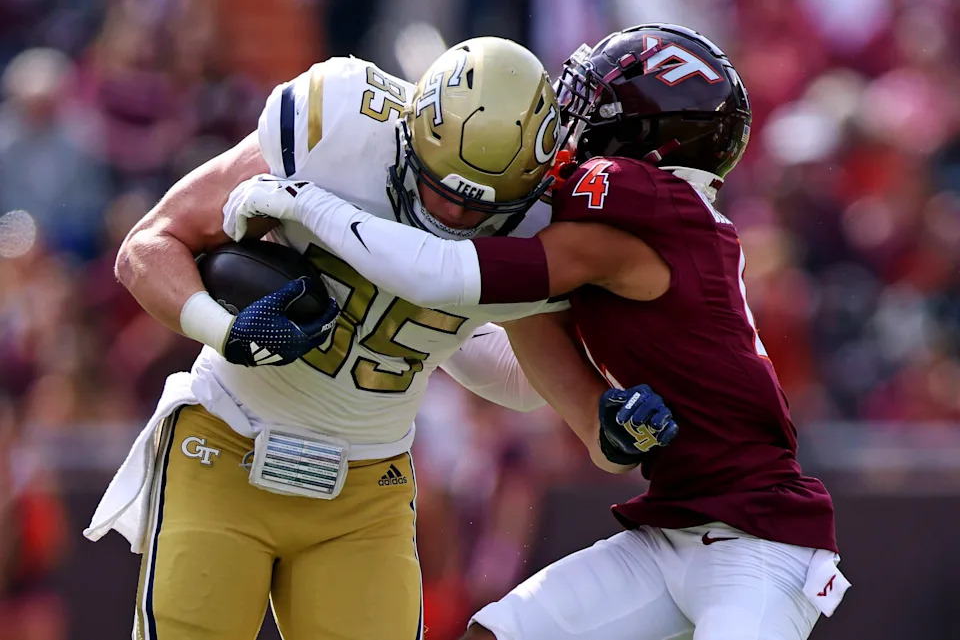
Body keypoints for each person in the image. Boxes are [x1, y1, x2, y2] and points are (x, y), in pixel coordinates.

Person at [224, 24, 850, 640]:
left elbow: (442, 274)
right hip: (674, 529)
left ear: (647, 136)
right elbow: (519, 365)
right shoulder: (649, 217)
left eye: (592, 101)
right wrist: (609, 423)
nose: (568, 121)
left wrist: (303, 203)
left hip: (763, 546)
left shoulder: (639, 207)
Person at [84, 36, 676, 640]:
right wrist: (227, 330)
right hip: (226, 445)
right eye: (437, 187)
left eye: (474, 209)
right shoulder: (337, 126)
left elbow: (525, 380)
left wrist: (617, 412)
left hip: (365, 491)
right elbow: (148, 247)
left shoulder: (540, 222)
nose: (447, 216)